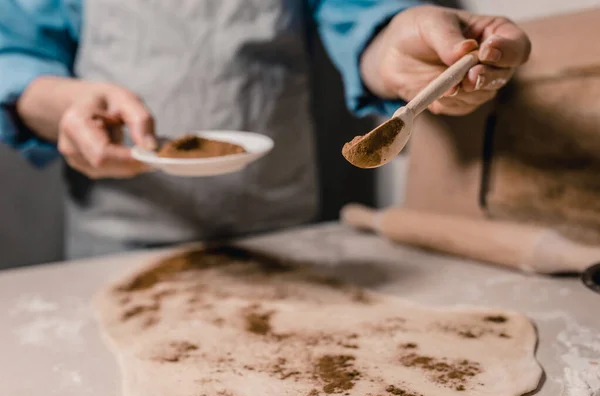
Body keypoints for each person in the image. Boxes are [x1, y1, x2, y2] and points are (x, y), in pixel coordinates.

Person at [0, 0, 531, 259]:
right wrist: (59, 103)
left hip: (279, 226)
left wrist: (396, 48)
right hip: (119, 232)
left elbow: (357, 19)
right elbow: (16, 49)